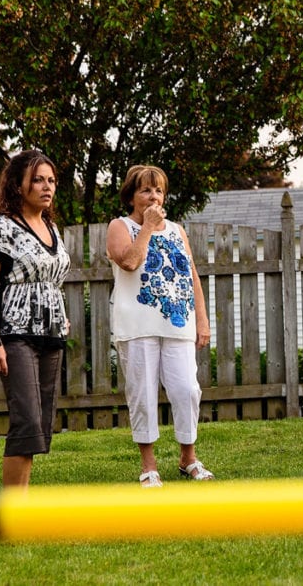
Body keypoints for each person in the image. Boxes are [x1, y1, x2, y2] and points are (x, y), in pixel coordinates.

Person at [107, 165, 214, 487]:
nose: (153, 196)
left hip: (178, 322)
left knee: (187, 390)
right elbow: (129, 261)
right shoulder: (119, 226)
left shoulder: (178, 230)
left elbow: (191, 275)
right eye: (145, 190)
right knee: (142, 393)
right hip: (137, 325)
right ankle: (148, 465)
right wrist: (148, 228)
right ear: (131, 196)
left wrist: (202, 320)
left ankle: (188, 459)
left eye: (158, 191)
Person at [0, 150, 70, 488]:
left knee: (39, 427)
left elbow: (51, 281)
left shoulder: (51, 228)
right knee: (26, 421)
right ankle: (13, 508)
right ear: (18, 185)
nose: (47, 187)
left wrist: (61, 317)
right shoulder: (1, 227)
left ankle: (22, 505)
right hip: (15, 336)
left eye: (51, 180)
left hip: (51, 337)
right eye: (38, 180)